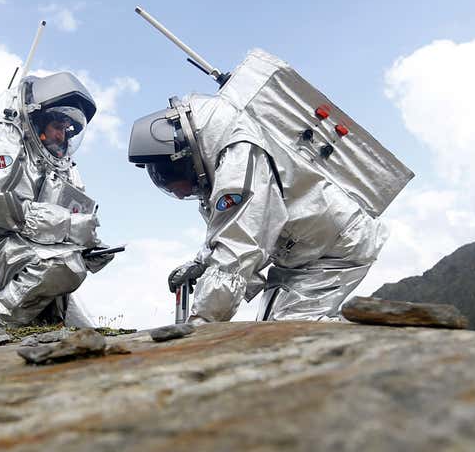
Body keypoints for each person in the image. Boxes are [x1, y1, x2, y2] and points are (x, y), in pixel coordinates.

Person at [127, 90, 391, 323]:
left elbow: (239, 240)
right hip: (304, 250)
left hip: (335, 246)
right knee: (274, 325)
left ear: (182, 158)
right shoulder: (220, 148)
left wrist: (204, 317)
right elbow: (226, 230)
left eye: (178, 184)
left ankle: (395, 347)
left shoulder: (238, 155)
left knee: (292, 330)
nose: (185, 192)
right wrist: (200, 263)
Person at [0, 72, 113, 329]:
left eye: (67, 130)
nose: (62, 136)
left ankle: (58, 330)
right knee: (65, 264)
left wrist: (89, 245)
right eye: (57, 127)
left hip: (10, 238)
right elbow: (0, 205)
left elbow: (66, 213)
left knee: (70, 265)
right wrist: (70, 228)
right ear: (39, 121)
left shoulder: (56, 163)